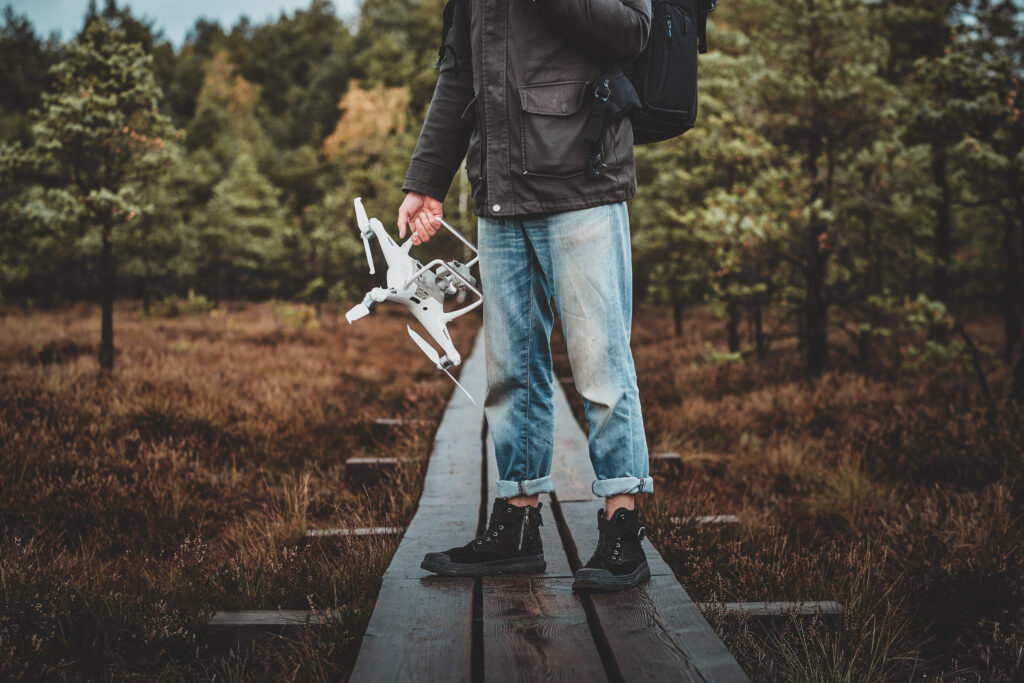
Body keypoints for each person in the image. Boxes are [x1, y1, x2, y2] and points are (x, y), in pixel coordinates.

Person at [398, 0, 653, 591]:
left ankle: (622, 527)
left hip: (584, 181)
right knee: (512, 367)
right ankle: (516, 524)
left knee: (601, 363)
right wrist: (426, 181)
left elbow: (631, 30)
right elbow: (458, 75)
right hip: (501, 192)